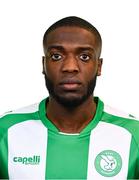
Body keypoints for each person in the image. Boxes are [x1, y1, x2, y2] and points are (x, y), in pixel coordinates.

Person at [0, 16, 139, 180]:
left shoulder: (133, 134)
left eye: (84, 57)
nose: (70, 67)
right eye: (57, 56)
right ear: (43, 64)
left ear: (99, 66)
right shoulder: (6, 130)